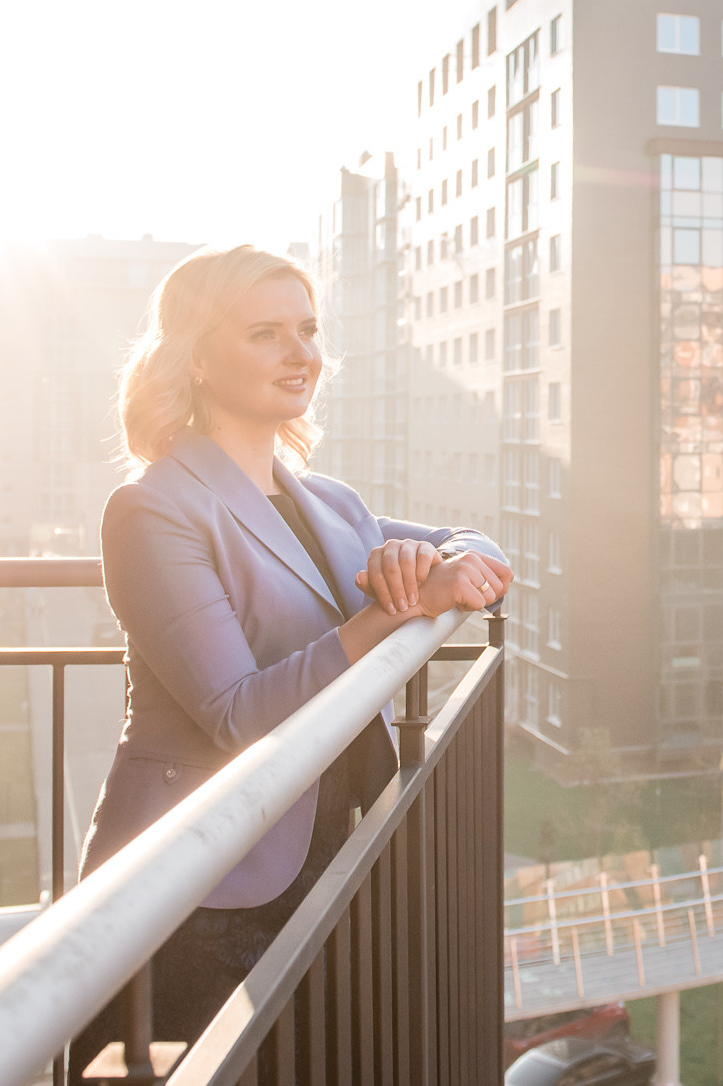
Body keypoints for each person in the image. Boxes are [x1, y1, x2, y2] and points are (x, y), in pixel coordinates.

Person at [71, 245, 510, 1070]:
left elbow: (477, 545)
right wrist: (395, 607)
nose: (301, 353)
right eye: (266, 333)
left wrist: (432, 566)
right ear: (198, 357)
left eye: (307, 330)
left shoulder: (331, 501)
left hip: (325, 862)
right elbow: (239, 713)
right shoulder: (154, 507)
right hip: (202, 888)